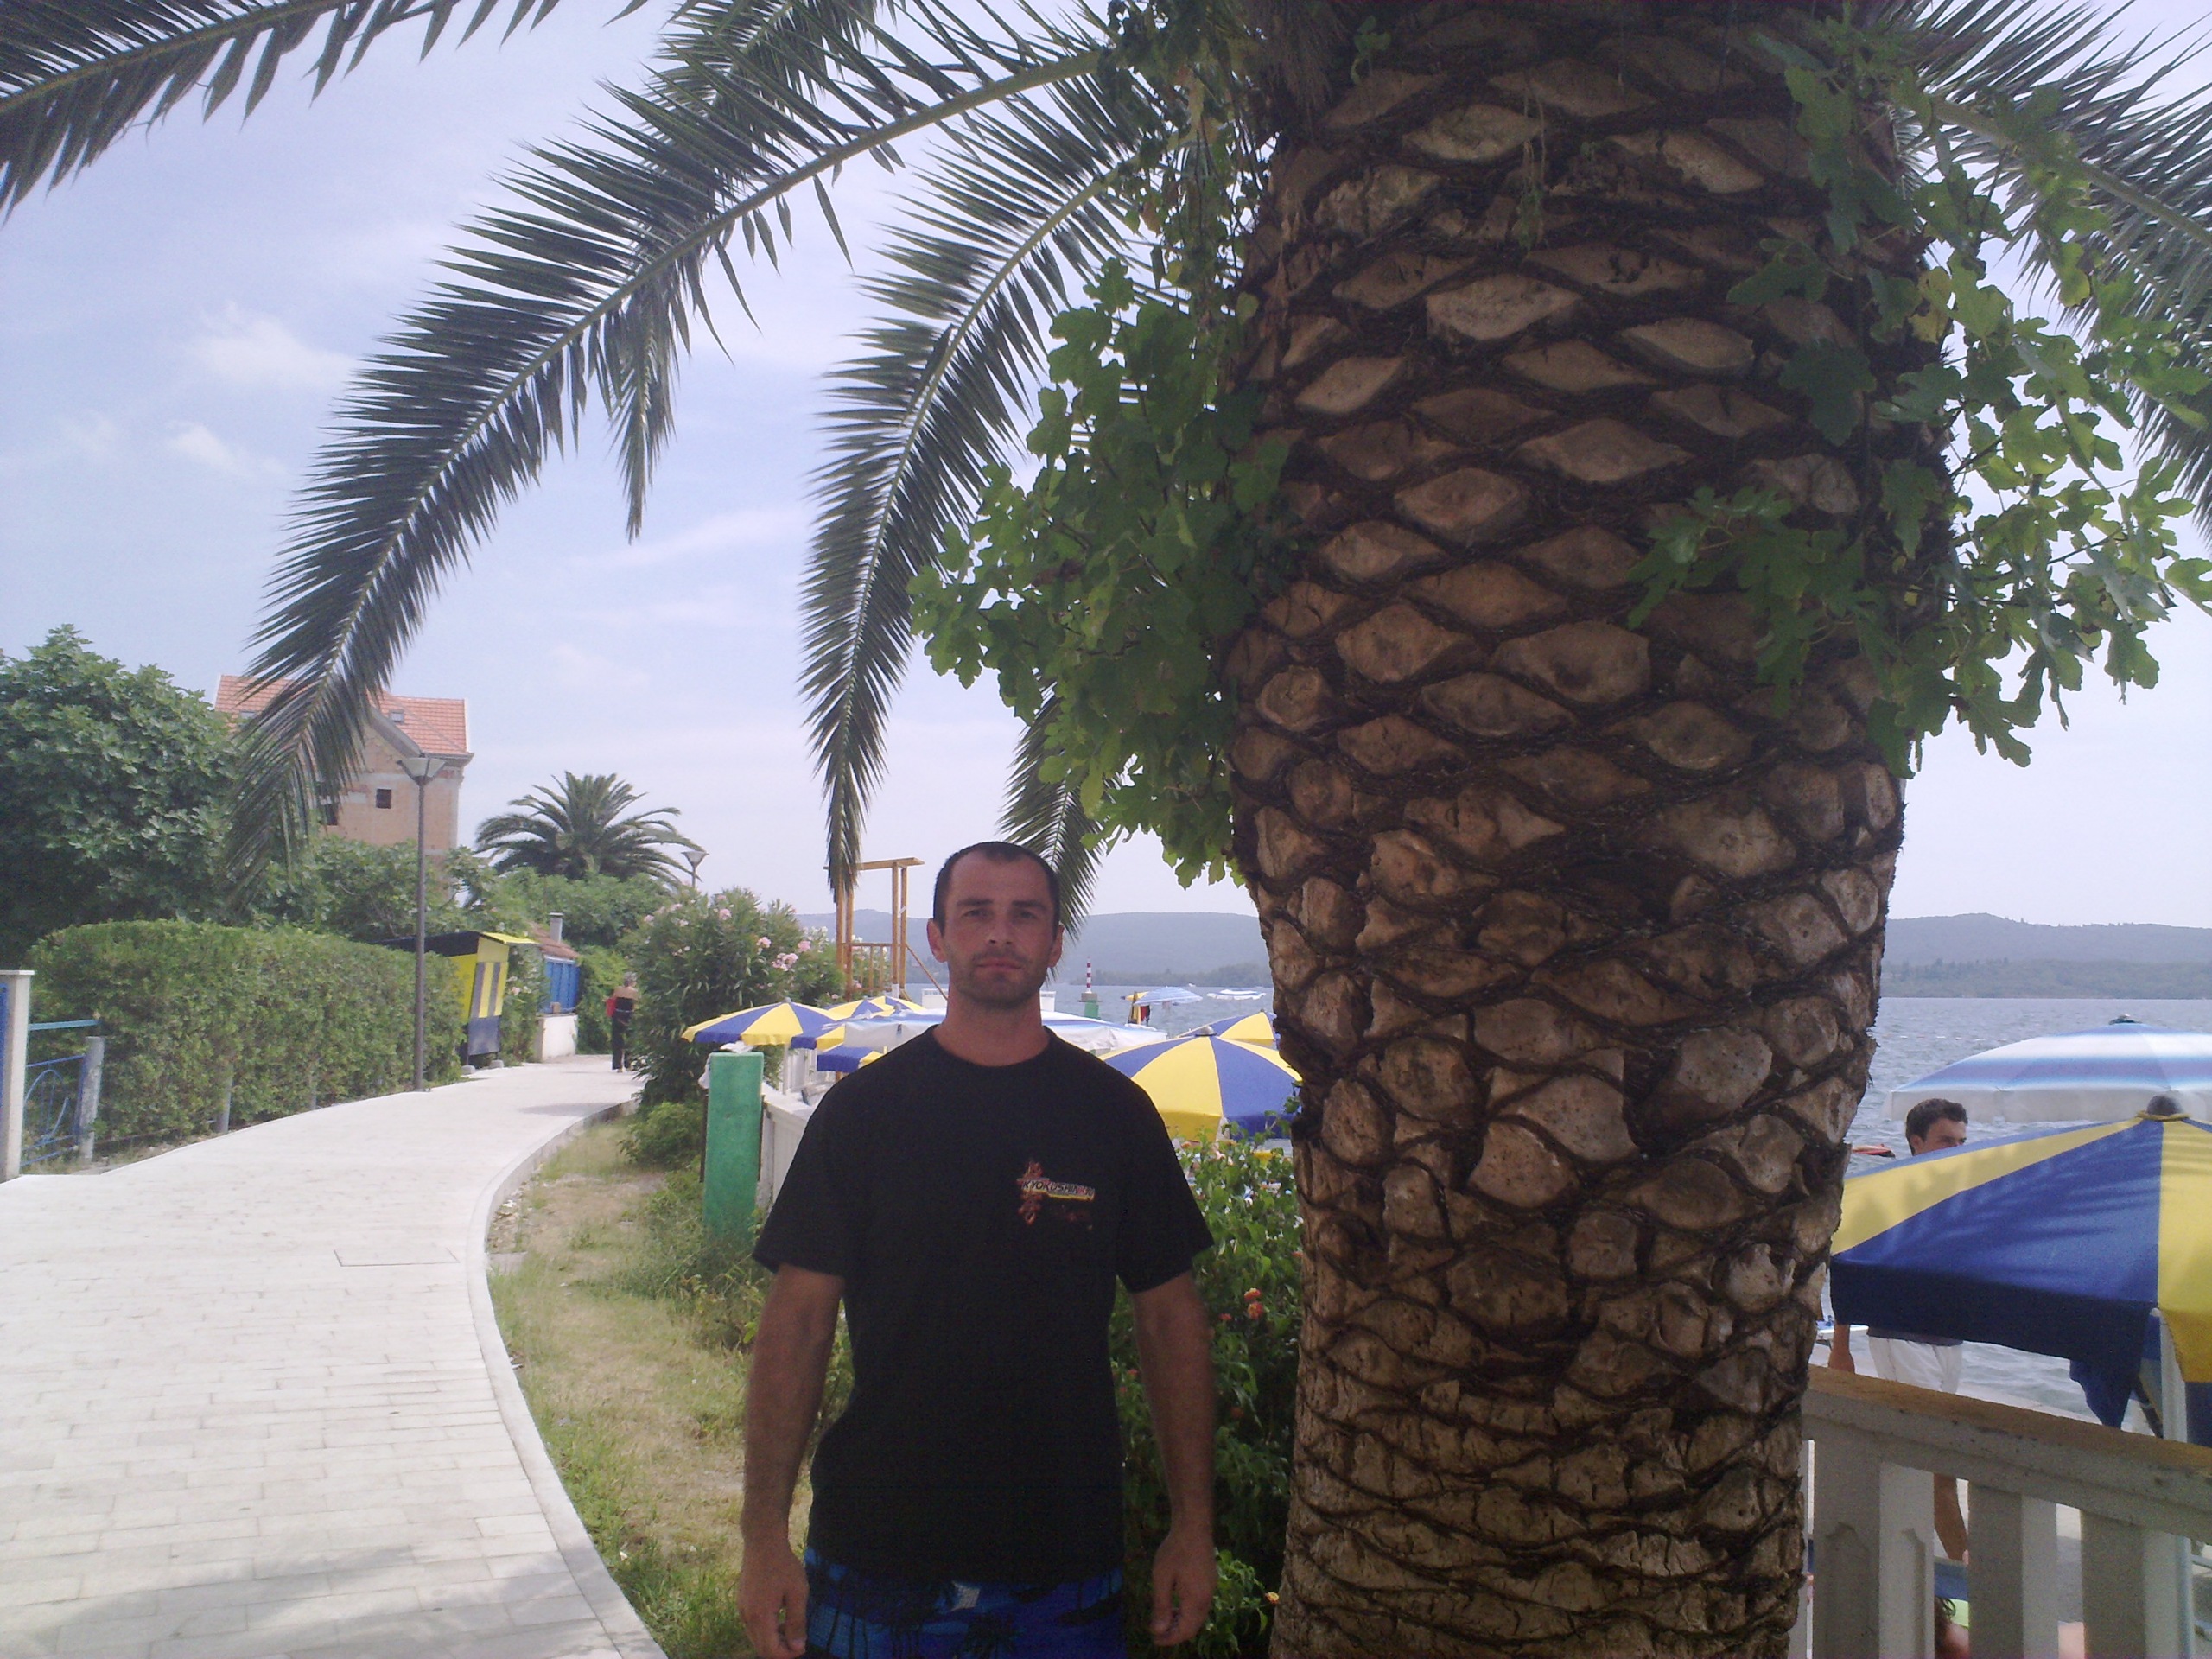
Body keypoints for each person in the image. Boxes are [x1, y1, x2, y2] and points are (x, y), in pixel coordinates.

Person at [739, 842, 1218, 1659]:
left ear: (1055, 942)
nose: (1001, 933)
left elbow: (1172, 1324)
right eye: (977, 913)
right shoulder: (864, 1115)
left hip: (1065, 1557)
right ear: (938, 937)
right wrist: (762, 1540)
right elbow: (797, 1329)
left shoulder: (1114, 1116)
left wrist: (1193, 1528)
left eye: (1025, 915)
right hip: (877, 1549)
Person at [1830, 1096, 1971, 1560]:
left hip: (1949, 1339)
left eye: (1962, 1141)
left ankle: (1914, 1555)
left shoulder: (1963, 1195)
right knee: (1938, 1460)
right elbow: (1848, 1265)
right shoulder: (1890, 1193)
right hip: (1899, 1335)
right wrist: (1841, 1348)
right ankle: (1962, 1565)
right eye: (1946, 1140)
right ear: (1916, 1141)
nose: (1956, 1148)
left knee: (1925, 1454)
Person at [607, 972, 638, 1071]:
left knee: (617, 1040)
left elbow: (613, 999)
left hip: (617, 1015)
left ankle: (618, 1065)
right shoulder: (635, 992)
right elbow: (636, 1005)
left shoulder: (618, 989)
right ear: (633, 982)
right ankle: (628, 1064)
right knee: (630, 1040)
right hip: (629, 1016)